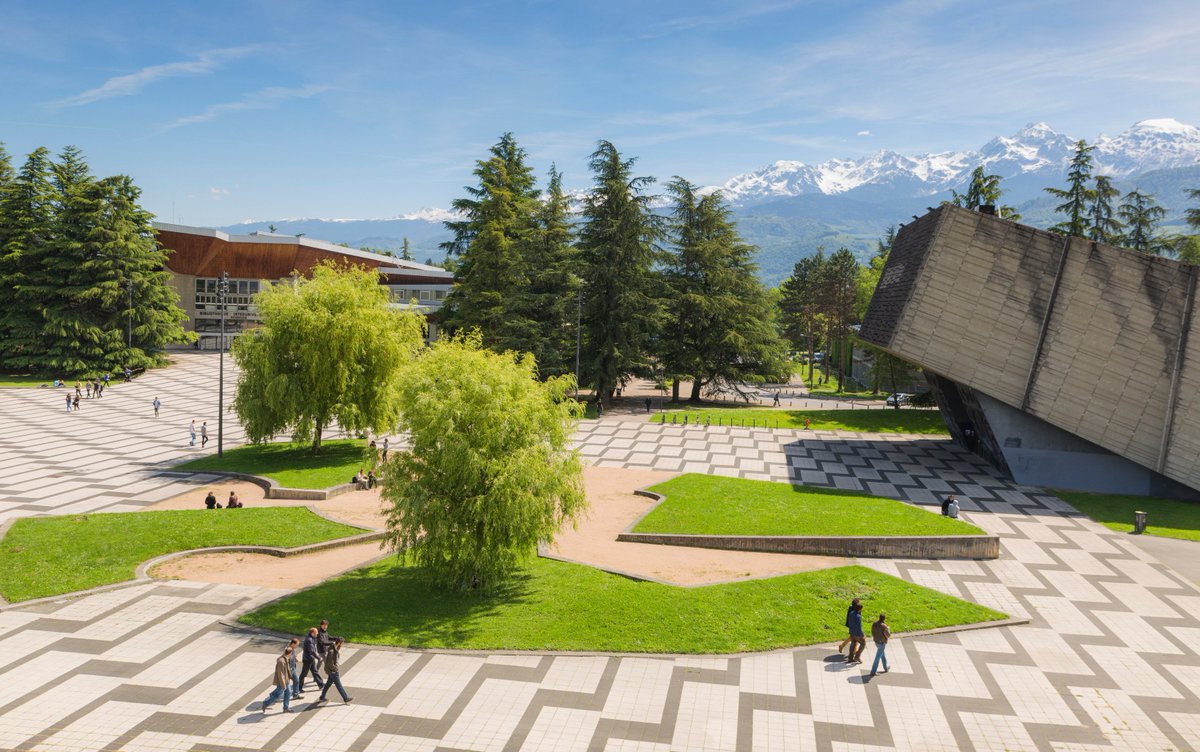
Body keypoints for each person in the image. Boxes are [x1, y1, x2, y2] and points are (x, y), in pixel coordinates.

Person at [315, 637, 353, 704]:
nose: (342, 644)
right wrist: (335, 669)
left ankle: (322, 696)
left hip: (332, 670)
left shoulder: (335, 648)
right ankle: (346, 698)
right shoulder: (331, 651)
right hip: (332, 671)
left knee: (328, 684)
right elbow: (330, 663)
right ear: (338, 643)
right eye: (342, 643)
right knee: (339, 685)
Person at [260, 646, 294, 713]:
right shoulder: (281, 662)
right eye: (291, 653)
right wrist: (283, 685)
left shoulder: (286, 658)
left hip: (286, 680)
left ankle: (285, 708)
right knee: (277, 695)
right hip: (282, 682)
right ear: (290, 653)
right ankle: (265, 703)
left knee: (288, 692)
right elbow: (280, 674)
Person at [298, 627, 325, 693]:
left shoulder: (312, 638)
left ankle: (321, 684)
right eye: (316, 632)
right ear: (312, 633)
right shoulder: (309, 640)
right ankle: (299, 688)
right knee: (303, 674)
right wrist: (319, 657)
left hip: (311, 659)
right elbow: (312, 651)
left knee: (315, 671)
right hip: (307, 660)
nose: (317, 633)